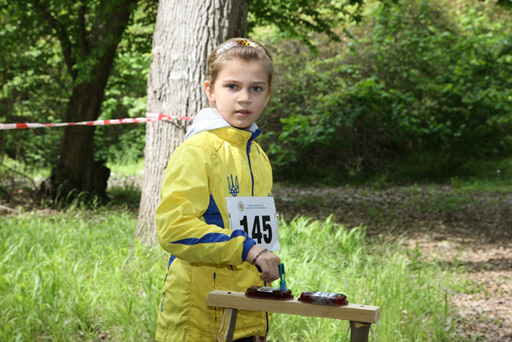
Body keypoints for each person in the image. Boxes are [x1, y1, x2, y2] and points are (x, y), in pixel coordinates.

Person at [155, 38, 281, 342]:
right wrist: (247, 249)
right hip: (200, 316)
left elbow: (258, 237)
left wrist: (258, 319)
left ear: (267, 96)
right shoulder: (197, 150)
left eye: (256, 88)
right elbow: (174, 229)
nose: (244, 99)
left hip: (246, 313)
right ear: (209, 89)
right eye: (232, 86)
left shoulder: (258, 155)